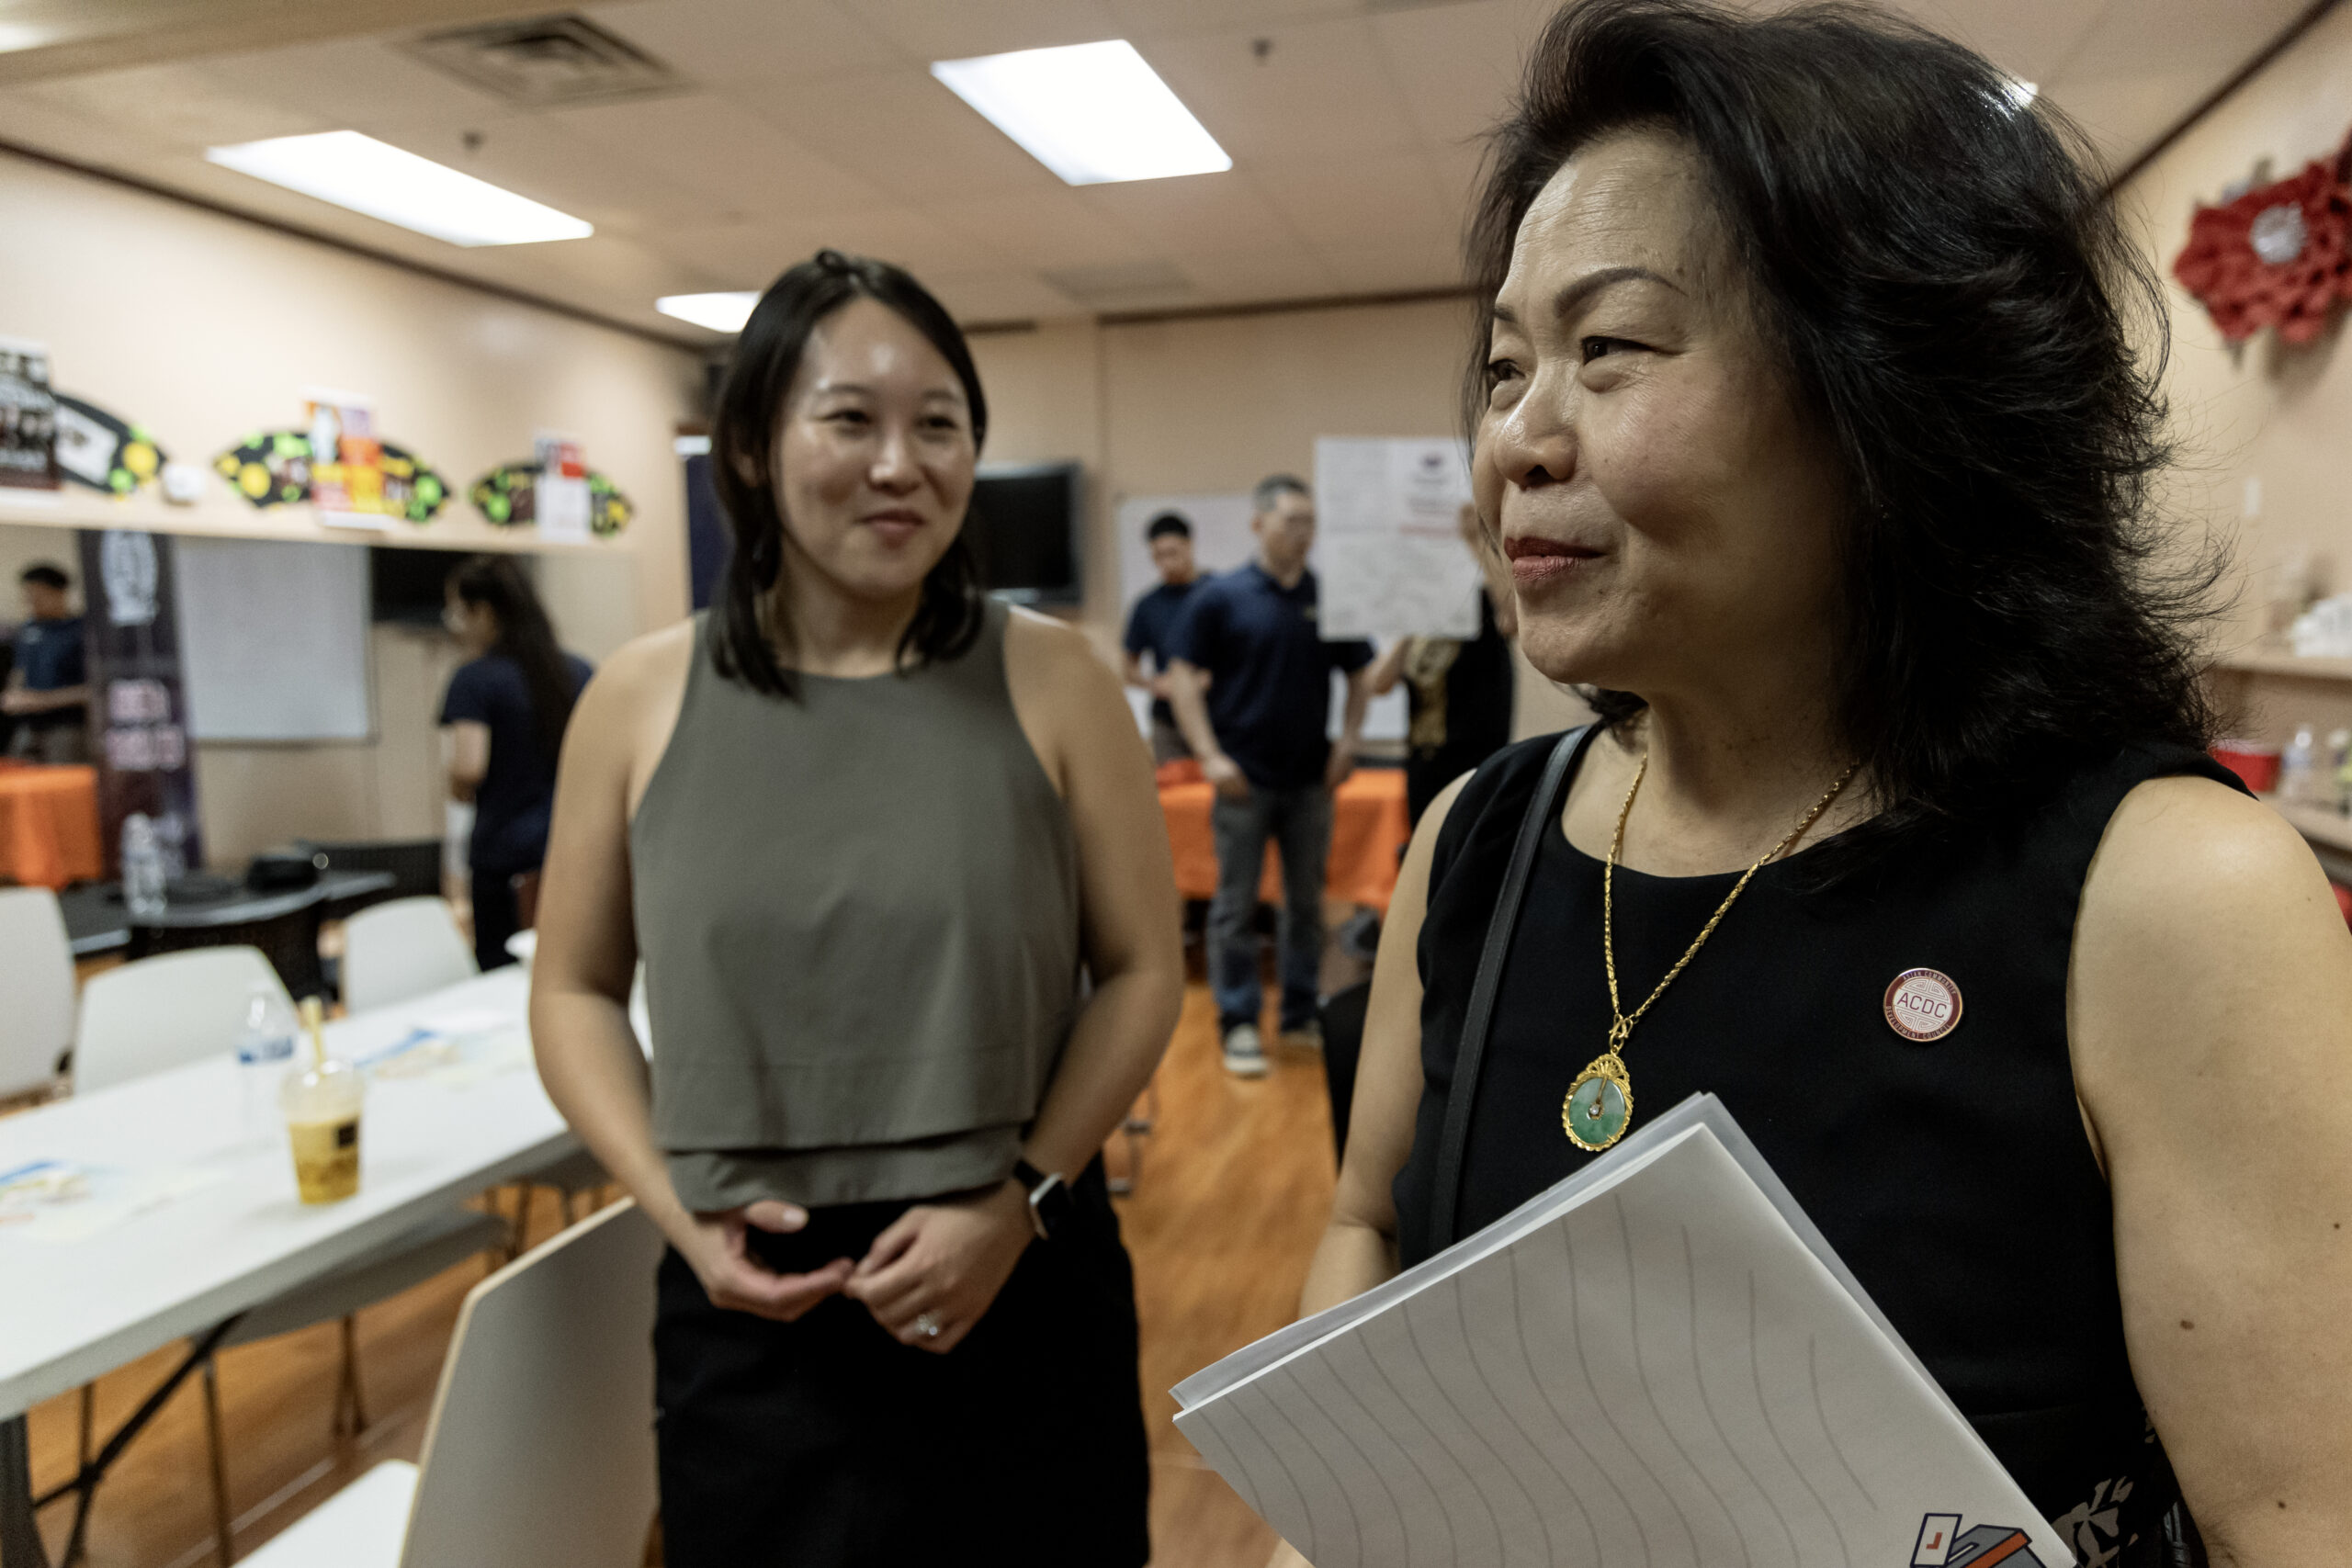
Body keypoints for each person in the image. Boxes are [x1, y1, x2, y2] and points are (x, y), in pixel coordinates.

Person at [1294, 3, 2352, 1563]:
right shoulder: (1479, 841)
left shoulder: (2170, 888)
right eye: (1508, 363)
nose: (1518, 432)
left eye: (1610, 348)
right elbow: (1368, 1223)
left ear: (1885, 399)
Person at [526, 251, 1182, 1567]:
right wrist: (671, 1206)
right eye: (850, 418)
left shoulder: (1054, 679)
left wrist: (1018, 1196)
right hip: (751, 1308)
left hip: (1014, 1263)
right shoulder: (640, 698)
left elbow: (1142, 971)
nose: (901, 463)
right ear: (757, 448)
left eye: (939, 423)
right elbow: (573, 990)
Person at [1167, 476, 1374, 1077]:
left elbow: (1361, 675)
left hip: (1311, 780)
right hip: (1242, 781)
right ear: (1259, 524)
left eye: (1310, 522)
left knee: (1306, 905)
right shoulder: (1220, 597)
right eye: (1291, 521)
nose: (1302, 533)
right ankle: (1237, 1023)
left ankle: (1301, 1014)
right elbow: (1181, 676)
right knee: (1233, 907)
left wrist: (1351, 740)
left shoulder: (1327, 596)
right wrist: (1208, 754)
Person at [438, 556, 591, 971]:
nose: (455, 623)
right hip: (570, 852)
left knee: (505, 977)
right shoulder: (576, 672)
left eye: (458, 611)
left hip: (504, 859)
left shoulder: (474, 680)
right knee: (571, 969)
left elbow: (469, 768)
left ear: (484, 612)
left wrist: (454, 785)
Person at [1366, 502, 1519, 827]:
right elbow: (1378, 684)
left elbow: (1513, 618)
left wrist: (1475, 541)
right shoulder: (1416, 626)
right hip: (1425, 759)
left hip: (1476, 757)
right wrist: (1411, 625)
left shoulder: (1478, 603)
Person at [1122, 510, 1202, 762]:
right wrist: (1153, 684)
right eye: (1158, 556)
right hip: (1167, 722)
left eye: (1172, 553)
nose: (1166, 562)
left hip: (1216, 716)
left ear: (1189, 546)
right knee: (1172, 797)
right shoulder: (1147, 605)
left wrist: (1199, 682)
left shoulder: (1217, 595)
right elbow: (1128, 667)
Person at [4, 562, 88, 763]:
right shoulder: (28, 630)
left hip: (66, 727)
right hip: (28, 726)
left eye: (37, 594)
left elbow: (95, 688)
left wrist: (44, 700)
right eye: (27, 595)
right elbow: (19, 671)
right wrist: (13, 694)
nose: (30, 601)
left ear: (59, 593)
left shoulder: (80, 631)